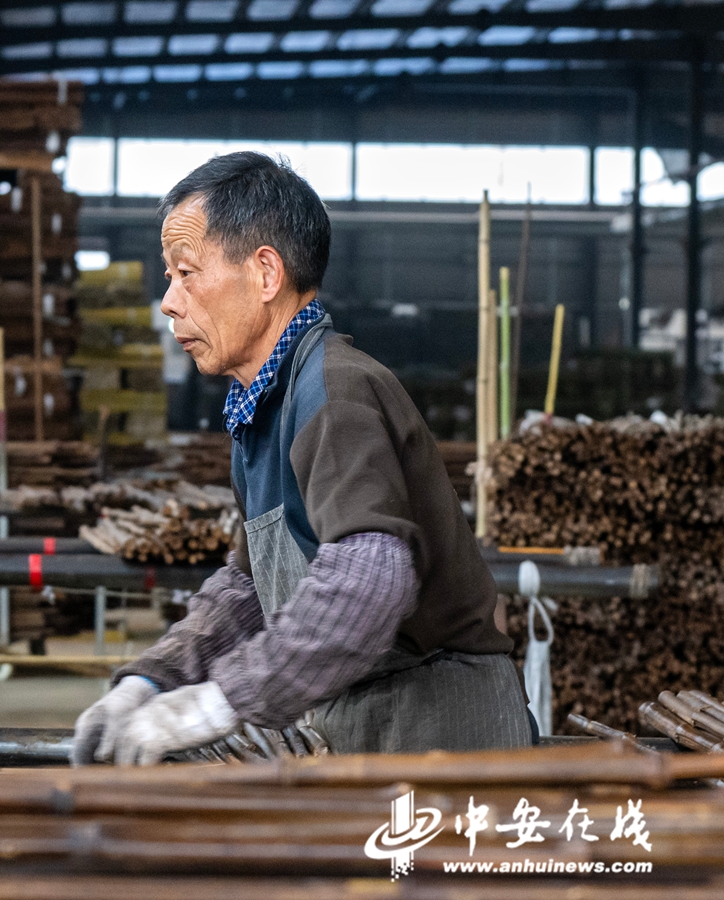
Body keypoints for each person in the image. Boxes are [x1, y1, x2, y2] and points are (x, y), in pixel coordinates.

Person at [72, 152, 529, 766]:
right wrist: (151, 680)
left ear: (266, 273)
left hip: (441, 731)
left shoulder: (334, 391)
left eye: (186, 273)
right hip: (370, 720)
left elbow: (370, 580)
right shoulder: (264, 406)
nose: (169, 302)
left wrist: (219, 702)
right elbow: (250, 589)